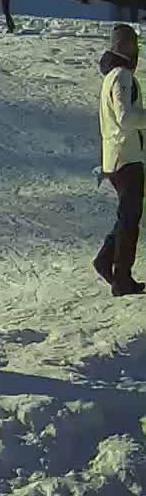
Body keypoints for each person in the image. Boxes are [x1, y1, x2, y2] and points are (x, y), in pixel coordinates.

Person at [96, 24, 145, 295]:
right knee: (129, 219)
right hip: (126, 157)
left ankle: (105, 260)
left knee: (127, 215)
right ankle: (121, 277)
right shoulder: (122, 76)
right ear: (122, 46)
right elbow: (126, 118)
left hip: (119, 156)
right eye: (131, 43)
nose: (135, 49)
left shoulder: (113, 76)